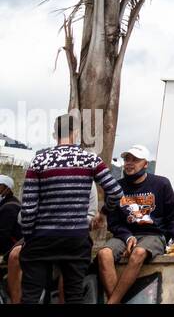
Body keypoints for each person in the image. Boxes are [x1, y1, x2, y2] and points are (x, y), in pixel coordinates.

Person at [18, 113, 123, 304]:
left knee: (31, 296)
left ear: (55, 134)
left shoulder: (39, 160)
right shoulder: (90, 160)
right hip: (76, 239)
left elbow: (29, 207)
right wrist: (103, 214)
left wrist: (28, 236)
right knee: (74, 295)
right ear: (76, 133)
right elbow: (115, 192)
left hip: (42, 238)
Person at [96, 144, 174, 304]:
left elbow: (173, 217)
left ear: (145, 164)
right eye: (127, 159)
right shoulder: (117, 187)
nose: (129, 163)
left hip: (153, 235)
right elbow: (114, 222)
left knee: (138, 253)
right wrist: (127, 236)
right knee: (104, 254)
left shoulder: (162, 184)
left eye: (135, 160)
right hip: (125, 235)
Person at [0, 173, 20, 303]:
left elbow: (2, 235)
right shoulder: (10, 203)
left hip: (9, 251)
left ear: (7, 189)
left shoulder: (10, 207)